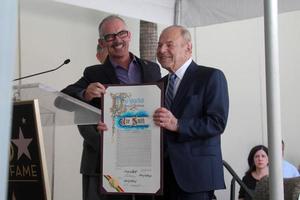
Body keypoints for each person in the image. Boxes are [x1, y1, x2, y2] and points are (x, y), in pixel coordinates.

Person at [61, 15, 161, 200]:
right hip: (104, 163)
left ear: (129, 35)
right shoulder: (94, 73)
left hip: (143, 162)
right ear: (102, 42)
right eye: (110, 36)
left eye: (122, 33)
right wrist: (86, 94)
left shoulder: (152, 69)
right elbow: (60, 101)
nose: (117, 40)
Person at [151, 25, 229, 200]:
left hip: (195, 177)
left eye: (169, 45)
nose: (162, 50)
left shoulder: (210, 77)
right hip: (160, 178)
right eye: (159, 45)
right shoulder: (158, 85)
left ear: (188, 47)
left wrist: (178, 124)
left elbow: (217, 122)